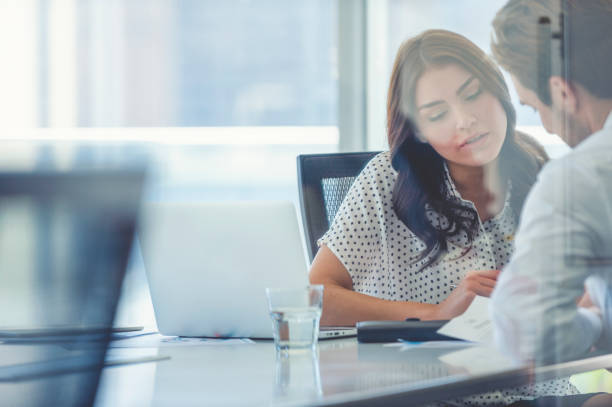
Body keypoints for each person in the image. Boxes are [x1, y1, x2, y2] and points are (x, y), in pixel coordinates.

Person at [310, 29, 579, 406]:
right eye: (438, 113)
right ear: (418, 130)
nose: (465, 121)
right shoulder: (385, 181)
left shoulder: (538, 171)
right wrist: (435, 315)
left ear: (499, 91)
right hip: (435, 393)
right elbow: (316, 300)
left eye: (473, 95)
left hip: (539, 390)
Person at [489, 0, 612, 370]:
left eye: (533, 107)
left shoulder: (583, 177)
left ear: (562, 93)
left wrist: (596, 322)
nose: (545, 126)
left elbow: (529, 331)